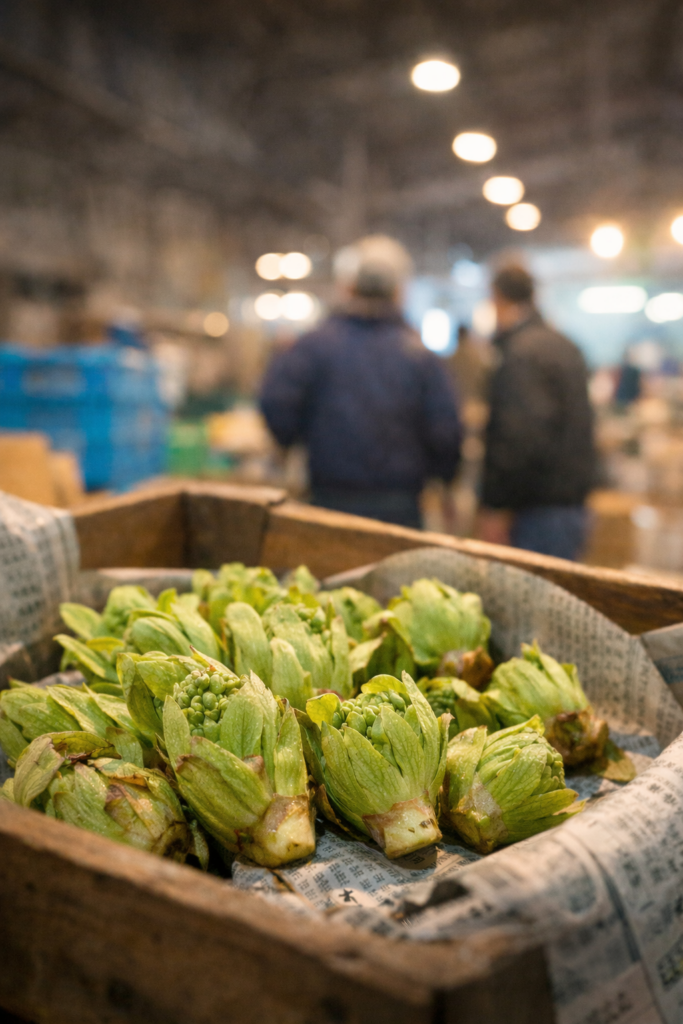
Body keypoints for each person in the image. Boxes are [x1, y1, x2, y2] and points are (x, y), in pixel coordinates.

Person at [259, 235, 462, 529]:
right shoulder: (420, 357)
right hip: (400, 506)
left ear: (349, 288)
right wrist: (443, 477)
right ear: (398, 292)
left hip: (328, 499)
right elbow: (446, 431)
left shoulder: (313, 347)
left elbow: (276, 405)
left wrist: (293, 442)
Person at [478, 264, 596, 560]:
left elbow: (520, 437)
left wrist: (497, 505)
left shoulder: (520, 353)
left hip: (535, 512)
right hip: (571, 506)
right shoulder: (565, 345)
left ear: (497, 297)